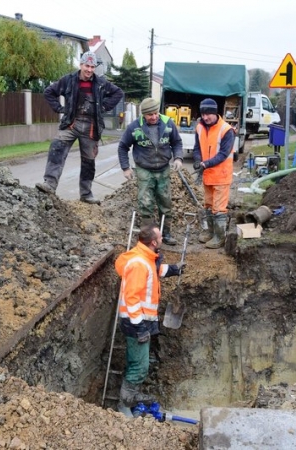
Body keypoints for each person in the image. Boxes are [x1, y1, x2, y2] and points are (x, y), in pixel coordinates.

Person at [36, 51, 124, 205]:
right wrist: (59, 108)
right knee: (56, 149)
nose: (89, 70)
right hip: (71, 123)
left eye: (92, 66)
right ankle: (49, 185)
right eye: (87, 66)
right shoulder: (68, 80)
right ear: (81, 65)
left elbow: (118, 93)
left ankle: (86, 194)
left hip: (91, 126)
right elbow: (49, 92)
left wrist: (104, 106)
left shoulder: (101, 83)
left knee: (88, 162)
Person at [115, 223, 185, 410]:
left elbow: (154, 271)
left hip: (137, 320)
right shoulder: (139, 263)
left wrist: (174, 269)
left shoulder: (144, 257)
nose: (163, 239)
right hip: (136, 322)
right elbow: (131, 297)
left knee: (135, 362)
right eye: (161, 238)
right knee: (139, 367)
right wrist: (139, 326)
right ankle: (125, 405)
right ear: (154, 242)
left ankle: (128, 399)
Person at [117, 97, 184, 245]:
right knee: (145, 203)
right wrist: (125, 168)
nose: (153, 117)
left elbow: (177, 142)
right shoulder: (134, 127)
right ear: (143, 115)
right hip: (144, 169)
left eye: (155, 113)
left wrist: (178, 158)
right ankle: (148, 237)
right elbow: (123, 147)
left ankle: (165, 234)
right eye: (150, 115)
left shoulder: (168, 123)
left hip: (163, 169)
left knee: (165, 202)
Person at [192, 98, 236, 249]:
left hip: (221, 175)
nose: (205, 117)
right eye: (203, 114)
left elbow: (223, 154)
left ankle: (220, 237)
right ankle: (210, 232)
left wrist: (206, 163)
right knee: (208, 205)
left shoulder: (226, 130)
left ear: (215, 113)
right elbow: (197, 148)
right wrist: (198, 160)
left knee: (218, 207)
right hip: (208, 175)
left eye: (208, 114)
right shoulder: (199, 127)